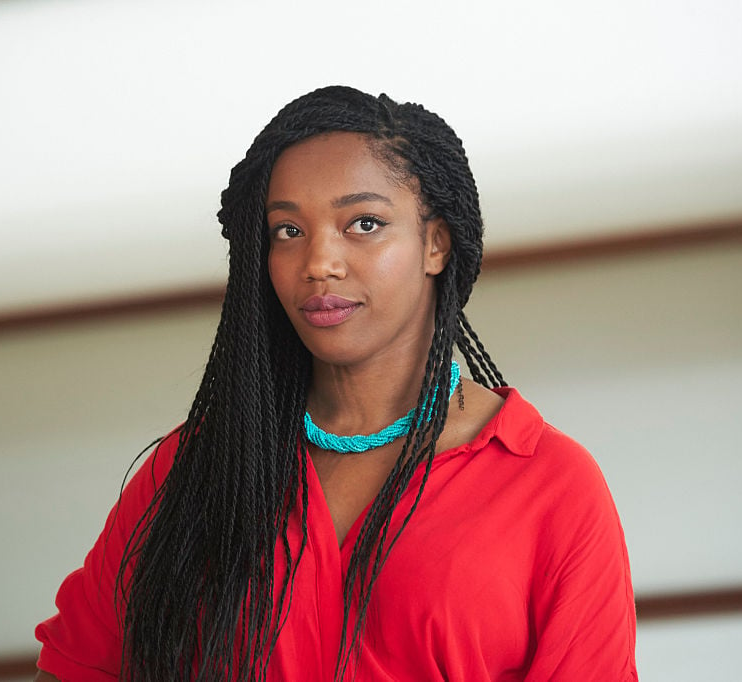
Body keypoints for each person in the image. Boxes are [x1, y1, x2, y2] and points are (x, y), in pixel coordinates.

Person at [34, 86, 637, 682]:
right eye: (288, 232)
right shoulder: (192, 469)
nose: (318, 261)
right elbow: (76, 667)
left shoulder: (549, 486)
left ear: (436, 242)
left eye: (364, 223)